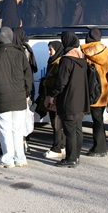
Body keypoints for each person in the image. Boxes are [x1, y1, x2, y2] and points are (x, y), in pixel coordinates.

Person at [0, 27, 33, 168]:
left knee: (4, 129)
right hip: (19, 98)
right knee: (17, 129)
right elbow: (28, 76)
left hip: (1, 99)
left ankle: (7, 159)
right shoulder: (20, 54)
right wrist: (27, 92)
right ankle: (20, 158)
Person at [46, 32, 89, 168]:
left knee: (69, 130)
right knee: (77, 129)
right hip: (81, 99)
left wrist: (52, 95)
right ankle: (76, 157)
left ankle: (70, 158)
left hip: (69, 99)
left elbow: (61, 82)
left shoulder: (66, 60)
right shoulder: (82, 58)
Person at [81, 28, 108, 157]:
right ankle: (101, 145)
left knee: (96, 121)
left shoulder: (84, 51)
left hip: (91, 88)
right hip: (104, 89)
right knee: (99, 120)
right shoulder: (107, 51)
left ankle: (99, 148)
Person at [41, 40, 66, 159]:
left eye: (51, 49)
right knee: (57, 123)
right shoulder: (54, 61)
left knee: (56, 123)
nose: (49, 52)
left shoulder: (58, 63)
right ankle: (61, 146)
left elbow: (58, 82)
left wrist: (47, 82)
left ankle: (57, 148)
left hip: (55, 98)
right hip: (53, 97)